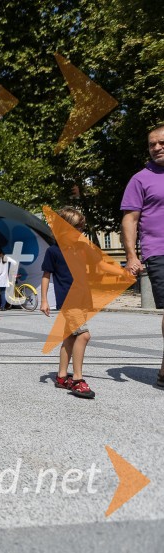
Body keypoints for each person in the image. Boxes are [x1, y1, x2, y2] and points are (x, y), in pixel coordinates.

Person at [121, 124, 164, 388]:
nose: (157, 148)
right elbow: (130, 218)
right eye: (152, 144)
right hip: (160, 251)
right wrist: (130, 255)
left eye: (161, 142)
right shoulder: (140, 179)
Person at [40, 207, 97, 399]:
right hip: (68, 301)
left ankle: (62, 376)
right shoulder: (53, 251)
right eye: (76, 227)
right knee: (84, 335)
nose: (80, 231)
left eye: (81, 227)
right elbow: (46, 276)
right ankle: (78, 379)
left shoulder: (81, 249)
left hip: (81, 299)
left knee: (69, 338)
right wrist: (44, 300)